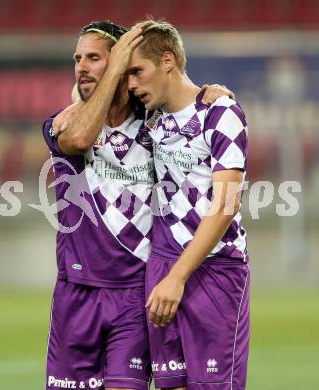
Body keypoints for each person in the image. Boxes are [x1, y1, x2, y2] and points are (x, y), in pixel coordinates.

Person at [43, 20, 233, 390]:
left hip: (135, 293)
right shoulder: (63, 124)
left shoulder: (156, 126)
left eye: (94, 58)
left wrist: (212, 96)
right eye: (77, 58)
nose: (82, 65)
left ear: (121, 64)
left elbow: (190, 107)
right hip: (75, 292)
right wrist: (110, 69)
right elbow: (80, 138)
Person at [127, 21, 250, 390]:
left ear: (167, 60)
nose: (131, 84)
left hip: (214, 269)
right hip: (162, 263)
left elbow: (225, 205)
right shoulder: (149, 119)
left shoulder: (220, 114)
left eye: (137, 71)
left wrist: (177, 277)